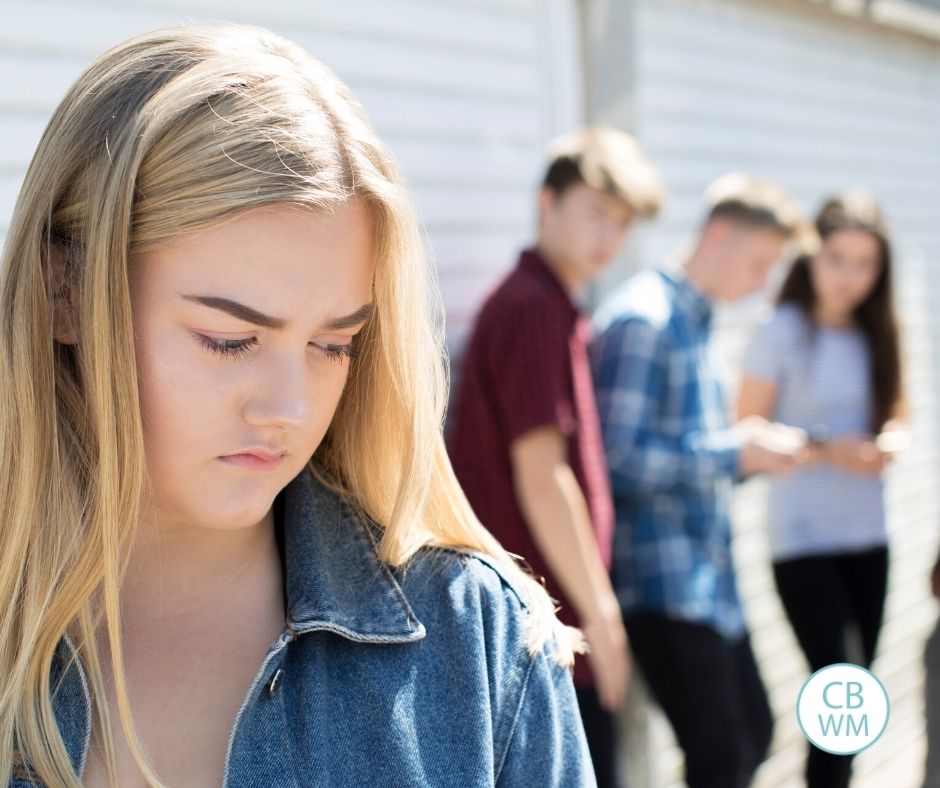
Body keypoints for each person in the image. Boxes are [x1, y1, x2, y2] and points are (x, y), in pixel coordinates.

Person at [0, 24, 595, 788]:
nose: (290, 408)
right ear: (63, 294)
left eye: (334, 344)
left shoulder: (479, 641)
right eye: (229, 338)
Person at [447, 128, 663, 787]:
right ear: (547, 201)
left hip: (538, 624)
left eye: (621, 224)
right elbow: (544, 478)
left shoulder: (552, 306)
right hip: (547, 629)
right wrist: (601, 615)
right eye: (596, 212)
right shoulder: (532, 308)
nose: (608, 237)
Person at [591, 174, 807, 788]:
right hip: (663, 586)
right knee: (722, 758)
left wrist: (754, 457)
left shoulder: (699, 322)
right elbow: (616, 460)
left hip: (710, 582)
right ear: (717, 234)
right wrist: (734, 454)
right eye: (760, 263)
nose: (763, 283)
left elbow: (694, 458)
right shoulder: (644, 320)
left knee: (754, 736)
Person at [738, 192, 905, 788]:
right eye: (838, 258)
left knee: (854, 703)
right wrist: (831, 447)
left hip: (870, 536)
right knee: (839, 687)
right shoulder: (781, 331)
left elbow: (898, 415)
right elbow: (747, 432)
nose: (850, 277)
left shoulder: (880, 331)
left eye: (866, 264)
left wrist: (889, 443)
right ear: (811, 256)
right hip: (802, 542)